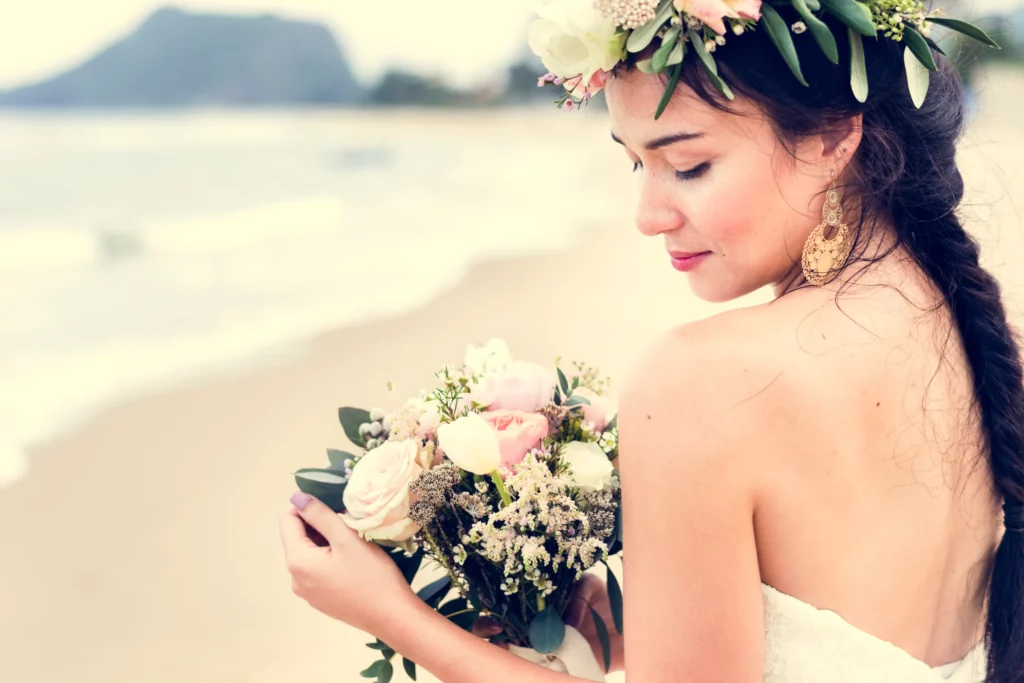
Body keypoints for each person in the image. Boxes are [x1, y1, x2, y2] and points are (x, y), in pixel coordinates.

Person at [279, 3, 1023, 681]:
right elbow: (856, 615)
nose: (648, 213)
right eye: (638, 163)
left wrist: (391, 614)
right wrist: (633, 612)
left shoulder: (703, 382)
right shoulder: (959, 319)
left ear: (832, 135)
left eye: (688, 164)